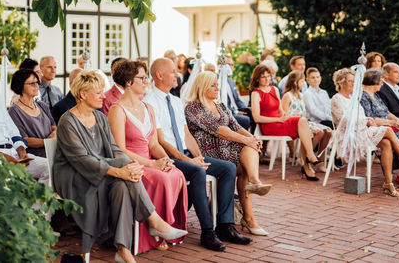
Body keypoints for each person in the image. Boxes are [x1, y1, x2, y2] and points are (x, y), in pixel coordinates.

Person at [53, 71, 187, 263]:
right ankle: (153, 220)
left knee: (123, 185)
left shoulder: (99, 117)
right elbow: (82, 160)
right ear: (82, 94)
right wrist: (120, 170)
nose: (103, 96)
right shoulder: (67, 121)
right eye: (98, 92)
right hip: (76, 179)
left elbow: (114, 149)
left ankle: (123, 250)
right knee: (124, 176)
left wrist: (130, 167)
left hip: (101, 172)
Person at [144, 58, 251, 251]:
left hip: (185, 154)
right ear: (159, 75)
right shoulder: (150, 102)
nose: (177, 74)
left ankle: (225, 225)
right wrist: (189, 161)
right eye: (173, 71)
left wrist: (199, 156)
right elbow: (160, 141)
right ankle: (207, 231)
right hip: (167, 157)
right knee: (197, 171)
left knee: (228, 168)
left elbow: (186, 135)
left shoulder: (176, 101)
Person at [108, 60, 187, 253]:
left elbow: (153, 144)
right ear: (128, 82)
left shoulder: (148, 108)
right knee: (161, 178)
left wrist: (165, 159)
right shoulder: (117, 110)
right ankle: (155, 230)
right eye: (142, 78)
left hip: (151, 161)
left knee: (176, 173)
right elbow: (120, 149)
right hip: (132, 164)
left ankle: (162, 226)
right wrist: (152, 164)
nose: (146, 81)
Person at [185, 71, 272, 236]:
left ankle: (254, 186)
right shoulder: (193, 107)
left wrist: (252, 138)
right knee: (246, 153)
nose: (217, 88)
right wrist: (247, 140)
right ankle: (249, 217)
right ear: (202, 87)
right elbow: (219, 130)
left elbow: (235, 125)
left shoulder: (221, 105)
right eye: (213, 85)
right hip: (208, 153)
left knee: (249, 153)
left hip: (227, 151)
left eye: (217, 85)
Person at [330, 68, 399, 197]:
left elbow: (362, 116)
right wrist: (367, 120)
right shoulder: (336, 99)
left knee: (387, 143)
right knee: (387, 130)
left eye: (355, 81)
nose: (354, 84)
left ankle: (388, 183)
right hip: (349, 135)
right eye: (351, 81)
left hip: (363, 130)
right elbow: (345, 121)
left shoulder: (354, 98)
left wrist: (367, 120)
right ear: (341, 83)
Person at [251, 64, 323, 181]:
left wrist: (284, 114)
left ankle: (308, 163)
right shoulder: (256, 93)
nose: (267, 79)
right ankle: (308, 161)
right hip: (270, 125)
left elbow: (280, 109)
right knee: (303, 126)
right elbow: (257, 118)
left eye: (268, 76)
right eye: (263, 77)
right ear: (257, 78)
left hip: (280, 121)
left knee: (304, 126)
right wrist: (278, 119)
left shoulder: (274, 89)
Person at [281, 70, 331, 170]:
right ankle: (305, 158)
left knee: (328, 132)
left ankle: (318, 159)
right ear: (295, 83)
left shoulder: (300, 96)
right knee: (319, 132)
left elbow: (304, 113)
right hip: (293, 123)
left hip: (303, 122)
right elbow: (283, 114)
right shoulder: (287, 96)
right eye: (302, 81)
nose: (304, 84)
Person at [8, 69, 56, 158]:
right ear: (20, 85)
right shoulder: (14, 111)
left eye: (37, 82)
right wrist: (47, 142)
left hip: (53, 151)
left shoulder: (42, 105)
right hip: (35, 156)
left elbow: (54, 127)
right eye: (32, 83)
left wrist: (53, 136)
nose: (36, 86)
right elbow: (23, 140)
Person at [223, 55, 251, 130]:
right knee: (245, 120)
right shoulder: (217, 80)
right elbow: (222, 103)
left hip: (237, 110)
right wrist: (236, 112)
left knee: (252, 114)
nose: (231, 67)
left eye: (232, 65)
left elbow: (237, 100)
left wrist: (244, 109)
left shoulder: (231, 81)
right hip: (228, 112)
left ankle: (255, 139)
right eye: (228, 64)